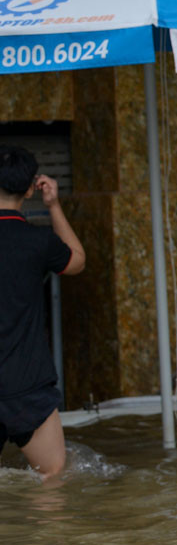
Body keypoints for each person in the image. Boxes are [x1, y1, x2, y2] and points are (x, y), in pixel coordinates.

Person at [0, 147, 84, 481]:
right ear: (32, 188)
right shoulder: (39, 242)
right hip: (27, 386)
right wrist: (54, 206)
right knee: (51, 476)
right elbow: (77, 260)